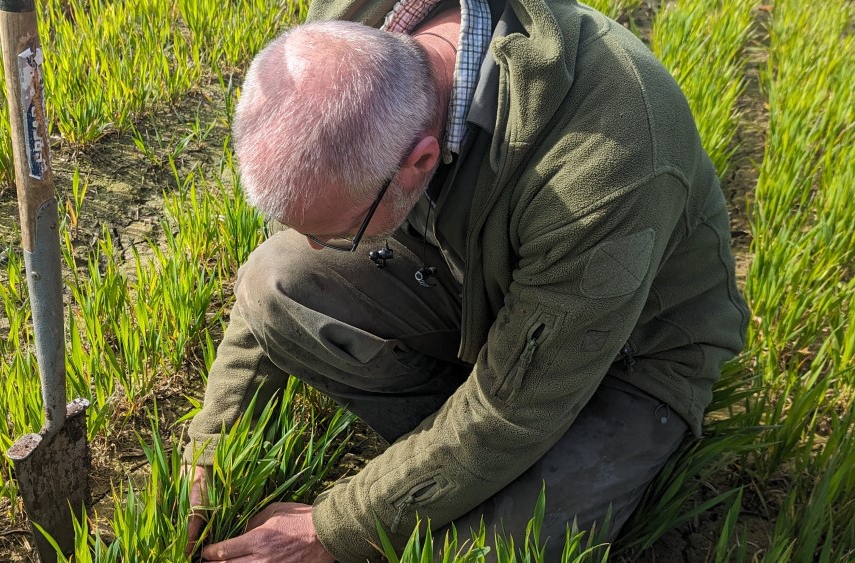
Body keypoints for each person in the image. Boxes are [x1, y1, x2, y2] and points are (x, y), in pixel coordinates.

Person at [182, 0, 750, 561]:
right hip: (470, 276)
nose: (313, 245)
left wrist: (332, 530)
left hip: (623, 354)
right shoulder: (349, 30)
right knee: (275, 280)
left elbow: (516, 409)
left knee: (473, 552)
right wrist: (211, 448)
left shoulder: (604, 161)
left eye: (340, 232)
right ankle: (454, 452)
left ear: (420, 162)